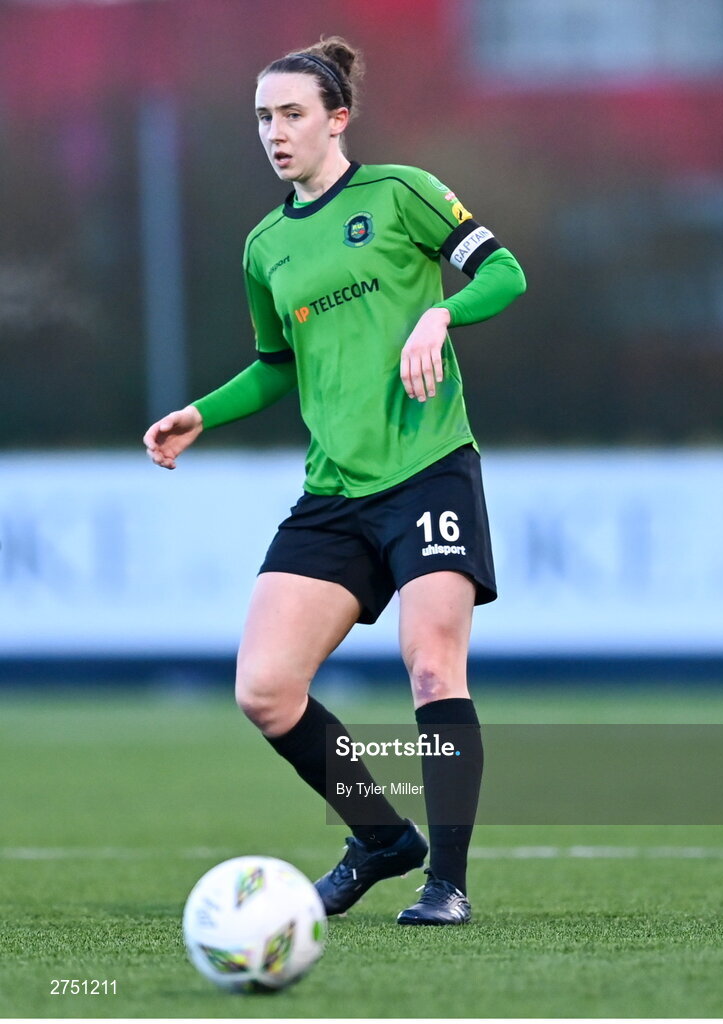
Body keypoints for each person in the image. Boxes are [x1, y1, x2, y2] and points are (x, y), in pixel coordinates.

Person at [143, 35, 526, 925]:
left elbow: (504, 274)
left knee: (432, 669)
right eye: (263, 118)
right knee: (264, 689)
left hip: (429, 468)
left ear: (336, 119)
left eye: (291, 115)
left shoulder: (402, 193)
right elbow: (276, 363)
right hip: (333, 494)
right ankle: (383, 839)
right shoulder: (265, 245)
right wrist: (203, 411)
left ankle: (448, 884)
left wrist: (440, 311)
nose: (274, 133)